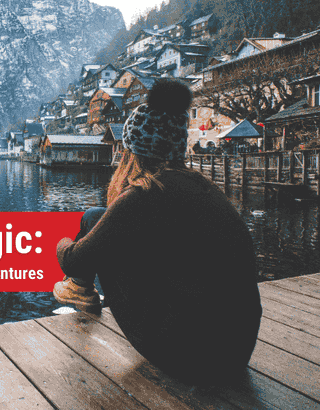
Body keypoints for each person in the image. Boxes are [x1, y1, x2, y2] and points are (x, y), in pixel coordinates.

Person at [53, 79, 262, 386]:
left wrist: (62, 242)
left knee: (93, 223)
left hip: (186, 357)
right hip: (238, 350)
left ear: (132, 151)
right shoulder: (206, 188)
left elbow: (72, 258)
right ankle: (79, 288)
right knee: (99, 218)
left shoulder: (142, 194)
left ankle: (78, 289)